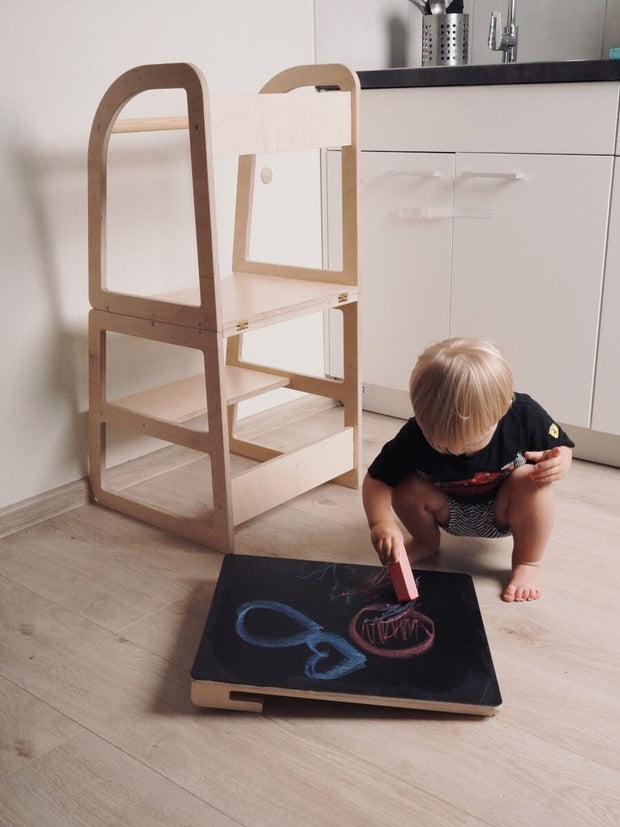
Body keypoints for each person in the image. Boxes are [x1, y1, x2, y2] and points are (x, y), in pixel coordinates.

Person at [363, 338, 574, 603]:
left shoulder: (523, 414)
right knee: (406, 487)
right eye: (440, 442)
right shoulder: (414, 434)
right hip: (447, 509)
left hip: (505, 510)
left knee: (532, 481)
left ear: (503, 408)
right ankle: (426, 542)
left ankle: (527, 563)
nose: (455, 451)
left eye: (471, 442)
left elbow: (563, 447)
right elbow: (376, 481)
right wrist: (381, 522)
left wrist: (560, 461)